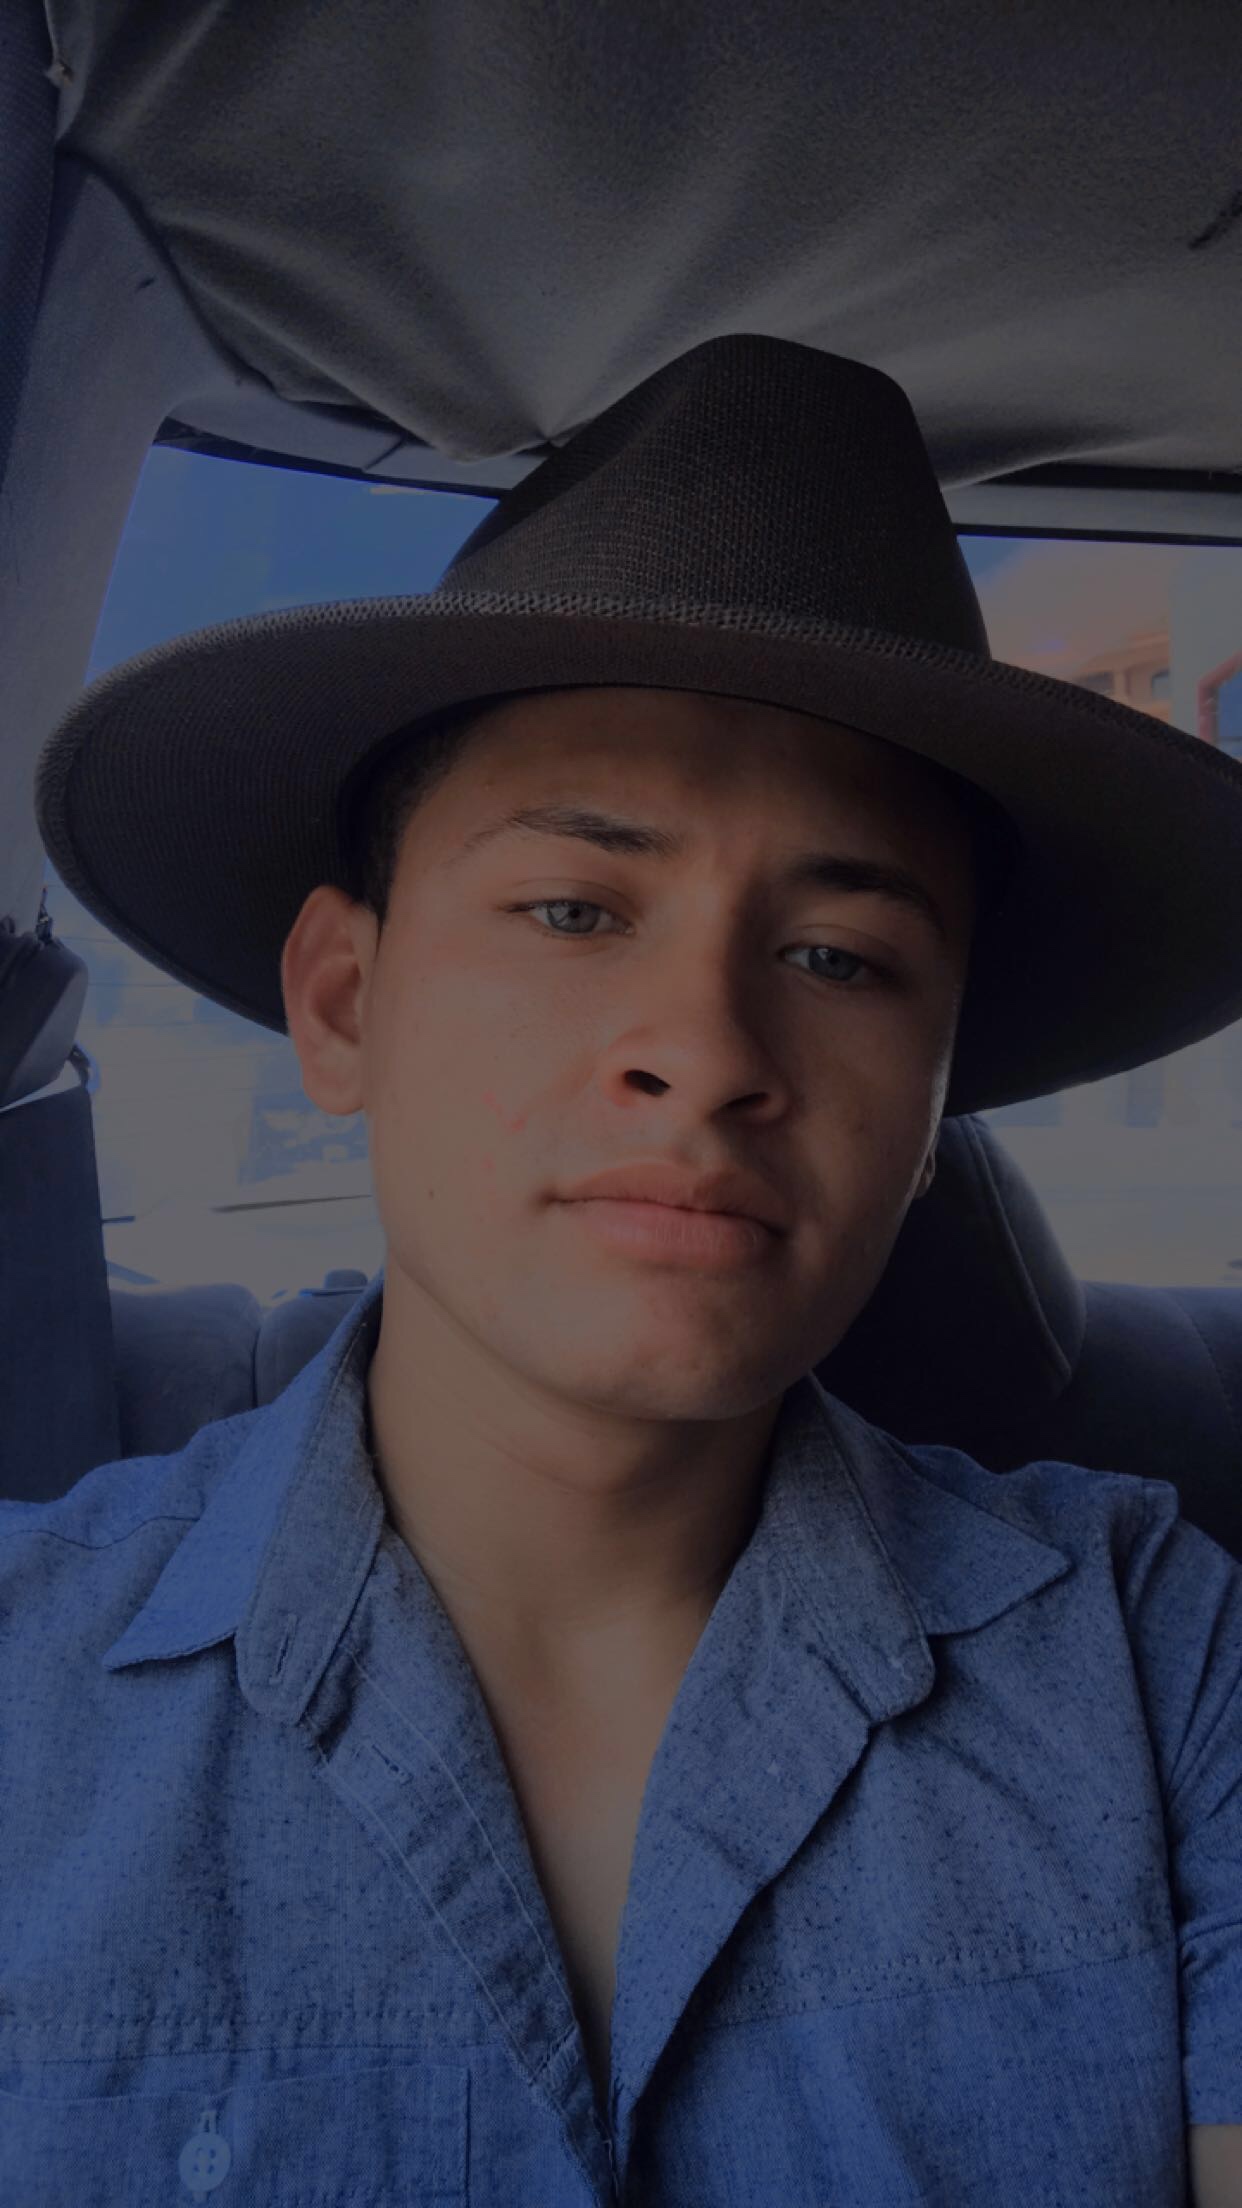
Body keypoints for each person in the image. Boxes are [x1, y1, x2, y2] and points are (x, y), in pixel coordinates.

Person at [11, 334, 1242, 2204]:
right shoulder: (22, 1682)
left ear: (934, 1096)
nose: (707, 1050)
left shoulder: (1158, 1663)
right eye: (575, 909)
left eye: (838, 959)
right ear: (341, 1004)